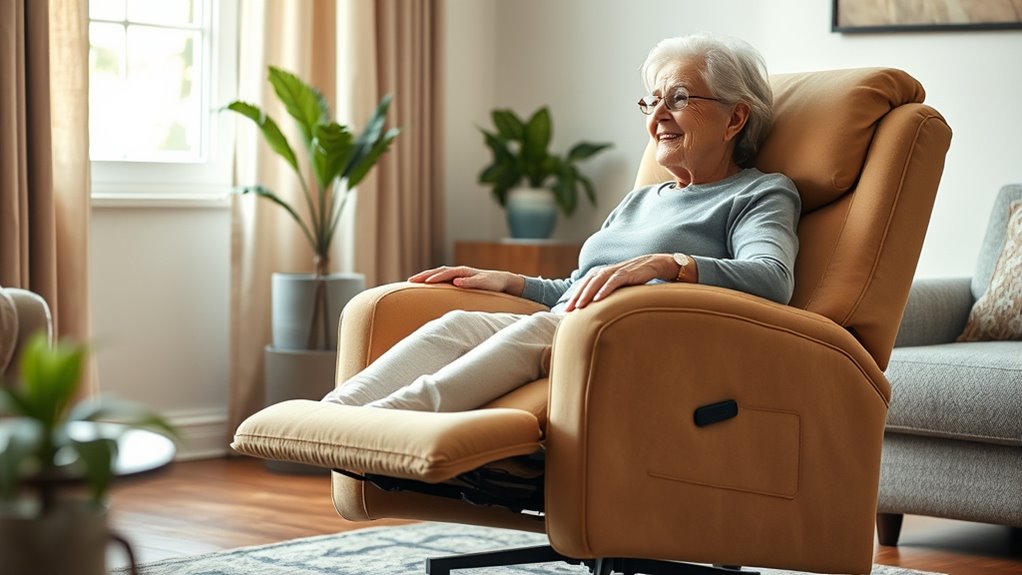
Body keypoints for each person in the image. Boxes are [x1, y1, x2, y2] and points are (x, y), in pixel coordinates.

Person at [322, 32, 800, 412]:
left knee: (537, 333)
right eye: (651, 101)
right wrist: (514, 283)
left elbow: (772, 278)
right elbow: (579, 286)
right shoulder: (642, 200)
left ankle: (391, 419)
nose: (657, 117)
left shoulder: (759, 192)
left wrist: (669, 264)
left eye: (676, 99)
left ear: (734, 118)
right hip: (569, 324)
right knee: (461, 321)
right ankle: (333, 413)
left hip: (640, 343)